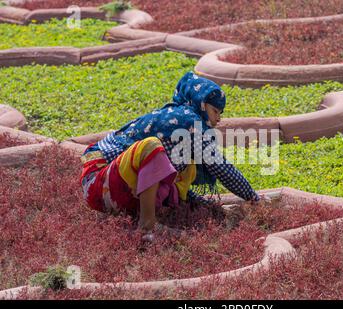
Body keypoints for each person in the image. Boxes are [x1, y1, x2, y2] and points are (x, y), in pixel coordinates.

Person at [80, 71, 260, 241]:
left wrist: (211, 208)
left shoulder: (182, 119)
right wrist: (254, 199)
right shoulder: (189, 120)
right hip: (98, 180)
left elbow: (176, 182)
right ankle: (147, 225)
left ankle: (143, 217)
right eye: (216, 111)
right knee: (151, 147)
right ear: (203, 105)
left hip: (113, 186)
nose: (218, 119)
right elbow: (221, 167)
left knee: (185, 167)